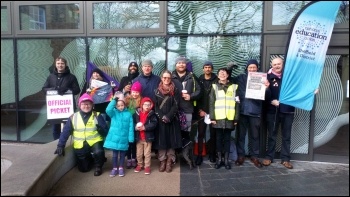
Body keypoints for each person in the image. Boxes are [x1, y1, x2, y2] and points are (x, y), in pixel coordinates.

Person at [54, 93, 108, 176]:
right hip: (80, 144)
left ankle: (98, 166)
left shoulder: (97, 115)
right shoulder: (73, 117)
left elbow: (106, 131)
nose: (86, 106)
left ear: (92, 105)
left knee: (98, 152)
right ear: (80, 105)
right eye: (84, 104)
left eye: (88, 104)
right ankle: (91, 158)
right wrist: (60, 145)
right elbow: (65, 132)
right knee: (84, 169)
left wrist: (101, 130)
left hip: (95, 141)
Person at [232, 59, 269, 168]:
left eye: (254, 67)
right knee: (241, 136)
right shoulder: (240, 78)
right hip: (242, 111)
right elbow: (229, 79)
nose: (252, 69)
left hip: (255, 111)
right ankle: (241, 156)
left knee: (255, 136)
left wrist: (267, 88)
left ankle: (254, 156)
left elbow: (267, 97)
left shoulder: (262, 79)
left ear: (257, 68)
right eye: (250, 67)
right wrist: (229, 69)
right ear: (246, 68)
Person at [262, 57, 295, 169]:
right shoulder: (266, 77)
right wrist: (270, 98)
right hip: (272, 111)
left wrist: (312, 90)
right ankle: (269, 157)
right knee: (272, 135)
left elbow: (299, 88)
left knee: (287, 136)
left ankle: (285, 159)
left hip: (288, 110)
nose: (277, 66)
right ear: (272, 65)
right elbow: (262, 96)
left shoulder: (290, 76)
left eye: (279, 64)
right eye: (274, 64)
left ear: (282, 64)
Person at [43, 56, 81, 140]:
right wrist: (55, 90)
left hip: (67, 107)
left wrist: (67, 90)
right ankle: (57, 145)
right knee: (55, 129)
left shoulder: (71, 77)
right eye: (58, 63)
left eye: (62, 63)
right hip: (55, 108)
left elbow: (77, 90)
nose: (60, 65)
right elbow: (44, 89)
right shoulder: (51, 77)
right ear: (55, 65)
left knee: (68, 128)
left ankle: (66, 145)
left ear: (65, 64)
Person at [209, 67, 239, 170]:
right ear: (217, 76)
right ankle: (219, 160)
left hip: (229, 118)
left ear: (227, 75)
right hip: (218, 118)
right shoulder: (214, 87)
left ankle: (226, 160)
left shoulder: (234, 87)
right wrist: (212, 117)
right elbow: (211, 103)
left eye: (224, 73)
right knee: (218, 139)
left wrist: (236, 118)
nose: (222, 75)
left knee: (227, 139)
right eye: (220, 73)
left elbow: (237, 104)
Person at [154, 70, 182, 173]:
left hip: (172, 120)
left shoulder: (175, 90)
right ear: (161, 78)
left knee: (171, 141)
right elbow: (156, 106)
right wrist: (161, 117)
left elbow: (176, 105)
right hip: (160, 120)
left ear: (171, 79)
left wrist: (169, 116)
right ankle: (162, 160)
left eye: (168, 78)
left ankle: (170, 160)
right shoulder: (156, 91)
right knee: (162, 141)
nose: (166, 79)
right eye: (164, 77)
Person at [171, 56, 201, 148]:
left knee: (186, 132)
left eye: (183, 63)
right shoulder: (171, 77)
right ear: (176, 65)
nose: (181, 64)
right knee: (174, 132)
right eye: (179, 63)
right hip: (173, 110)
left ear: (186, 65)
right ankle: (175, 155)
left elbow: (199, 91)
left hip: (187, 109)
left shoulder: (192, 76)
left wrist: (190, 96)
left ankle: (185, 155)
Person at [103, 92, 134, 177]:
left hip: (124, 138)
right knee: (115, 155)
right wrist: (114, 100)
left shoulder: (128, 114)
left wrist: (130, 138)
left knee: (123, 154)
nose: (120, 107)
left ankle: (120, 167)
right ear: (116, 106)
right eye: (118, 105)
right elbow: (108, 110)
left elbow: (131, 127)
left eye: (122, 105)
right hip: (115, 138)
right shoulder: (113, 113)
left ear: (124, 105)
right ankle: (114, 168)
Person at [196, 60, 218, 165]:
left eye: (209, 67)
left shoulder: (217, 80)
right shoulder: (198, 80)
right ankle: (199, 155)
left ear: (212, 69)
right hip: (202, 112)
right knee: (201, 134)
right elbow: (196, 97)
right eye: (206, 67)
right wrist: (200, 110)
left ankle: (212, 154)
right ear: (203, 69)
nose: (207, 69)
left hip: (214, 112)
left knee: (213, 134)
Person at [133, 97, 158, 175]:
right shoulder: (137, 113)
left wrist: (145, 127)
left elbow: (154, 124)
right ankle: (140, 165)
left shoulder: (152, 114)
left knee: (147, 154)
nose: (147, 106)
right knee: (139, 153)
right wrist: (136, 127)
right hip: (139, 137)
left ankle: (147, 167)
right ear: (141, 105)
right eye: (145, 104)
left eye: (149, 105)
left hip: (147, 138)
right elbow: (133, 122)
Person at [124, 81, 143, 169]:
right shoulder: (127, 100)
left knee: (134, 143)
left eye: (136, 92)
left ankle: (134, 159)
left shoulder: (141, 102)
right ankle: (128, 159)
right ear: (131, 92)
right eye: (133, 92)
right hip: (127, 125)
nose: (135, 94)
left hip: (136, 124)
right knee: (128, 143)